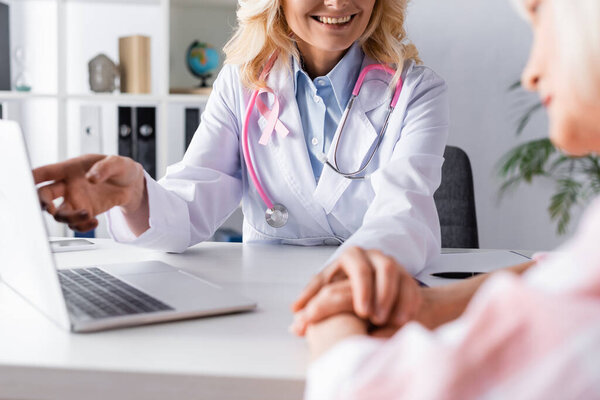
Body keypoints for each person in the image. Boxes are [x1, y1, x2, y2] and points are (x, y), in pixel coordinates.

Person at [34, 0, 449, 326]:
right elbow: (190, 204)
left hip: (370, 298)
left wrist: (356, 272)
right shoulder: (242, 82)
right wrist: (135, 195)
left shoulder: (415, 91)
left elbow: (405, 211)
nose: (338, 2)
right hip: (263, 300)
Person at [298, 0, 600, 398]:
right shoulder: (242, 82)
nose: (531, 74)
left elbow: (365, 389)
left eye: (541, 17)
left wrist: (334, 315)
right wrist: (435, 306)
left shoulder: (416, 87)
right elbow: (570, 272)